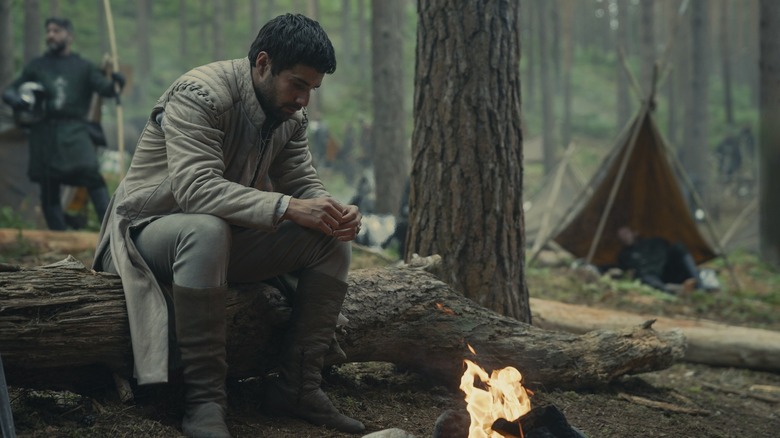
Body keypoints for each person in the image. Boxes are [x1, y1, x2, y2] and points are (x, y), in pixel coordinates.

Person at [92, 14, 364, 437]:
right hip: (146, 232)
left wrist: (333, 210)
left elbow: (302, 183)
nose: (304, 99)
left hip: (221, 238)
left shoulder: (289, 117)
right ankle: (204, 401)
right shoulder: (199, 94)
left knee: (329, 243)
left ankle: (299, 387)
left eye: (312, 89)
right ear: (262, 63)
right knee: (205, 230)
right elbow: (195, 190)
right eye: (298, 84)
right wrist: (289, 207)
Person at [1, 17, 125, 231]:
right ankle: (59, 238)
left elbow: (106, 89)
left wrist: (116, 81)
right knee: (49, 185)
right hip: (44, 132)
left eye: (56, 31)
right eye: (48, 31)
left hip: (74, 131)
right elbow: (10, 90)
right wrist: (16, 100)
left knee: (91, 175)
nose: (50, 35)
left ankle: (112, 232)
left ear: (69, 36)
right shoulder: (37, 66)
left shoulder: (84, 67)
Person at [616, 226, 703, 294]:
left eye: (626, 233)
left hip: (669, 271)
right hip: (653, 278)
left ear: (634, 232)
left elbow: (669, 251)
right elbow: (627, 272)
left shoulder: (654, 242)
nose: (624, 237)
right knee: (641, 275)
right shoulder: (624, 255)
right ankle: (674, 291)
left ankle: (700, 287)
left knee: (679, 247)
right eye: (621, 236)